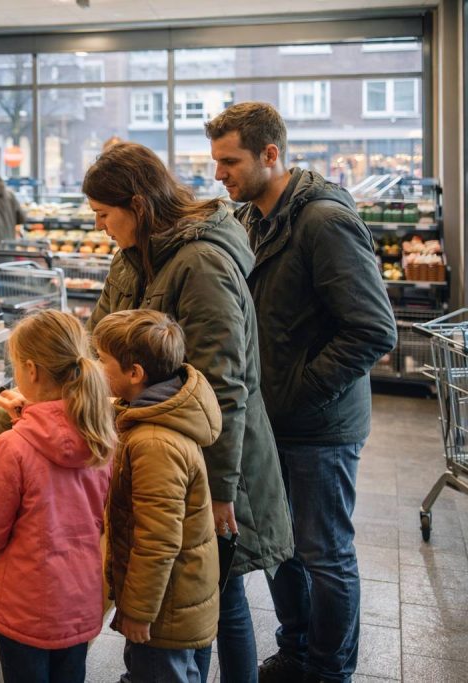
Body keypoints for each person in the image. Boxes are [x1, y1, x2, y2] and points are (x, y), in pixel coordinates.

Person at [0, 142, 294, 683]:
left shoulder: (201, 263)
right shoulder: (134, 256)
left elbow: (224, 384)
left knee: (218, 597)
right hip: (157, 442)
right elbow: (88, 360)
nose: (100, 227)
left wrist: (222, 489)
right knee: (190, 599)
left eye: (104, 215)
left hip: (210, 453)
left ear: (137, 205)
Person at [206, 102, 397, 683]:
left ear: (271, 154)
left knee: (325, 554)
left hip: (319, 426)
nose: (219, 175)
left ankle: (328, 668)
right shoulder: (251, 220)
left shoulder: (323, 222)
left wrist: (298, 392)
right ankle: (295, 650)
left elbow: (373, 329)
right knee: (281, 547)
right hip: (273, 423)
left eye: (229, 161)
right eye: (215, 162)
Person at [0, 310, 116, 683]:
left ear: (32, 371)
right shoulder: (100, 434)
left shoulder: (14, 445)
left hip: (25, 607)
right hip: (80, 599)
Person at [93, 309, 221, 683]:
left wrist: (138, 610)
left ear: (135, 373)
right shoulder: (152, 412)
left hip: (165, 604)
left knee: (158, 674)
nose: (97, 368)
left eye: (102, 361)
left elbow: (157, 540)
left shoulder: (154, 442)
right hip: (177, 591)